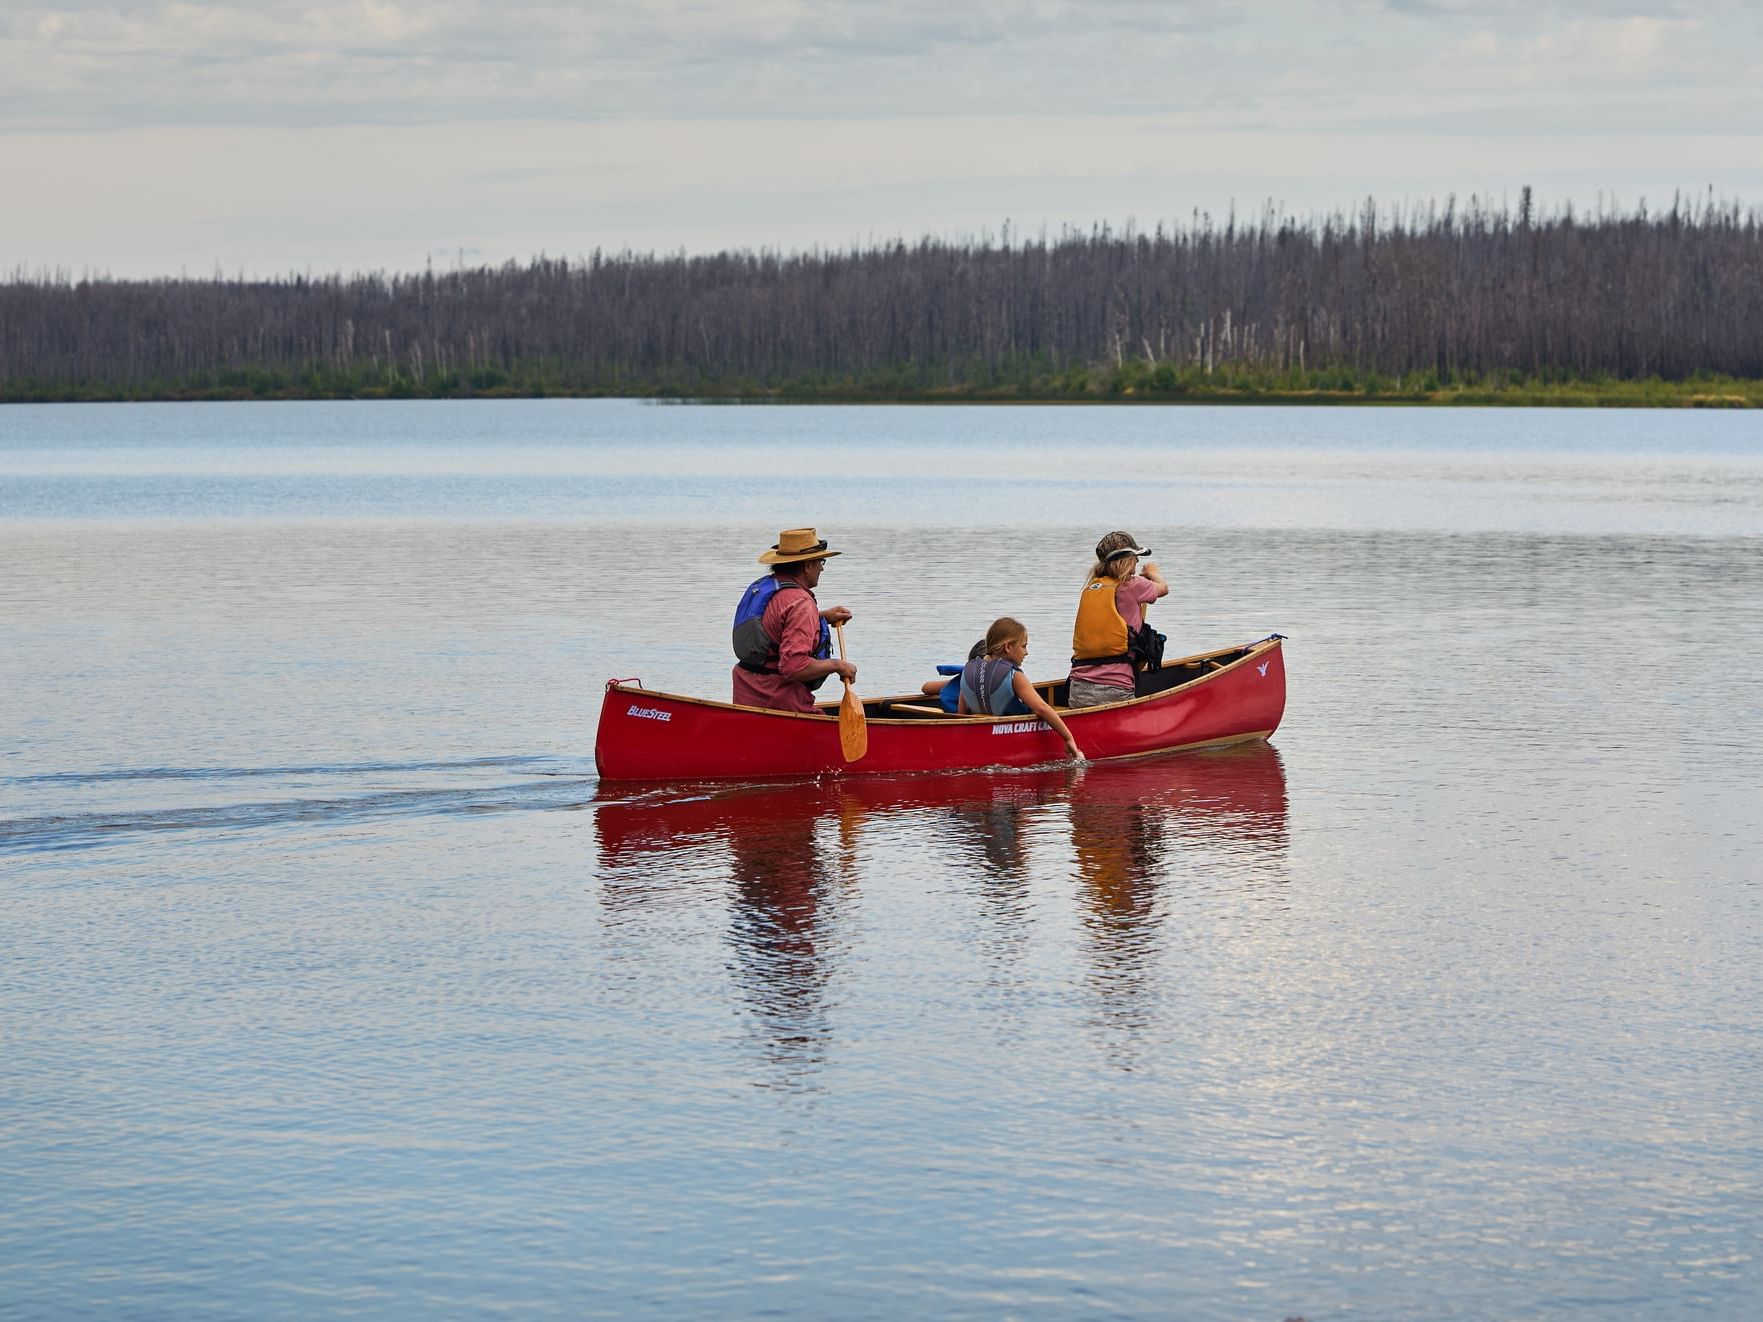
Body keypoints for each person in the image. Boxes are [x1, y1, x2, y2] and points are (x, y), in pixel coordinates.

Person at [731, 527, 856, 712]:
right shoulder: (800, 604)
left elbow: (774, 625)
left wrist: (821, 617)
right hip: (780, 702)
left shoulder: (768, 587)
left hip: (746, 697)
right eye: (820, 562)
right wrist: (837, 665)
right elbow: (794, 667)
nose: (822, 568)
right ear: (806, 566)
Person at [1067, 531, 1168, 709]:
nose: (1137, 562)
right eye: (1135, 557)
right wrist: (1152, 573)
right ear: (1126, 560)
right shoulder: (1134, 585)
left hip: (1077, 688)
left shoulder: (1093, 586)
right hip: (1116, 689)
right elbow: (1164, 588)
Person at [961, 617, 1085, 762]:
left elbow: (961, 714)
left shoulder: (968, 670)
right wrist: (1068, 738)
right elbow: (1042, 709)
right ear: (1008, 647)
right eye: (1023, 646)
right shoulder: (1014, 675)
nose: (1026, 653)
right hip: (1007, 740)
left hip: (978, 739)